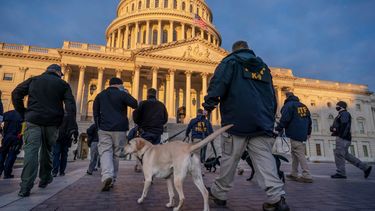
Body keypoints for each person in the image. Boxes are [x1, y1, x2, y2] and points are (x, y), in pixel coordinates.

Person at [202, 41, 289, 211]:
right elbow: (272, 96)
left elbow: (218, 85)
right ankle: (277, 198)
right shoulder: (263, 68)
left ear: (234, 50)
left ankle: (219, 194)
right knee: (265, 160)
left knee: (229, 158)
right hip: (261, 122)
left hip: (237, 119)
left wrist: (208, 106)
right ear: (248, 49)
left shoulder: (229, 62)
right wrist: (269, 119)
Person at [12, 64, 76, 197]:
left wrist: (23, 112)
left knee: (31, 151)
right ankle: (45, 178)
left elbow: (16, 93)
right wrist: (72, 124)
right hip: (52, 123)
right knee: (47, 151)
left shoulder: (34, 80)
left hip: (33, 120)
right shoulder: (63, 84)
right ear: (59, 73)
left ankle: (25, 187)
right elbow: (70, 105)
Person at [93, 77, 137, 191]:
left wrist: (98, 126)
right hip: (120, 128)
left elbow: (95, 112)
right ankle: (112, 179)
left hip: (104, 127)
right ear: (119, 85)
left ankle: (107, 175)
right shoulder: (122, 94)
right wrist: (126, 93)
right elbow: (135, 104)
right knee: (116, 154)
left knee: (105, 151)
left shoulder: (100, 95)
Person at [275, 92, 313, 183]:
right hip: (302, 133)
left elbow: (285, 119)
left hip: (294, 132)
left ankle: (307, 175)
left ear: (287, 97)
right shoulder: (303, 106)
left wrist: (278, 128)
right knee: (295, 153)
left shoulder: (289, 105)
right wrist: (308, 132)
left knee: (299, 154)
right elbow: (309, 120)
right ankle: (294, 173)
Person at [330, 101, 372, 179]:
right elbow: (339, 125)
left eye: (337, 105)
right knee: (346, 155)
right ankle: (365, 168)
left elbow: (345, 124)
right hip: (344, 137)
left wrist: (341, 135)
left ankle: (341, 173)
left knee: (338, 154)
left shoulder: (344, 114)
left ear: (342, 106)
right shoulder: (341, 114)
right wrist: (333, 128)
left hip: (343, 138)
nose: (336, 107)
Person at [0, 110, 23, 179]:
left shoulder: (7, 114)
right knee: (12, 155)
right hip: (16, 137)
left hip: (6, 137)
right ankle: (7, 173)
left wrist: (2, 132)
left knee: (2, 154)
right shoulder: (23, 114)